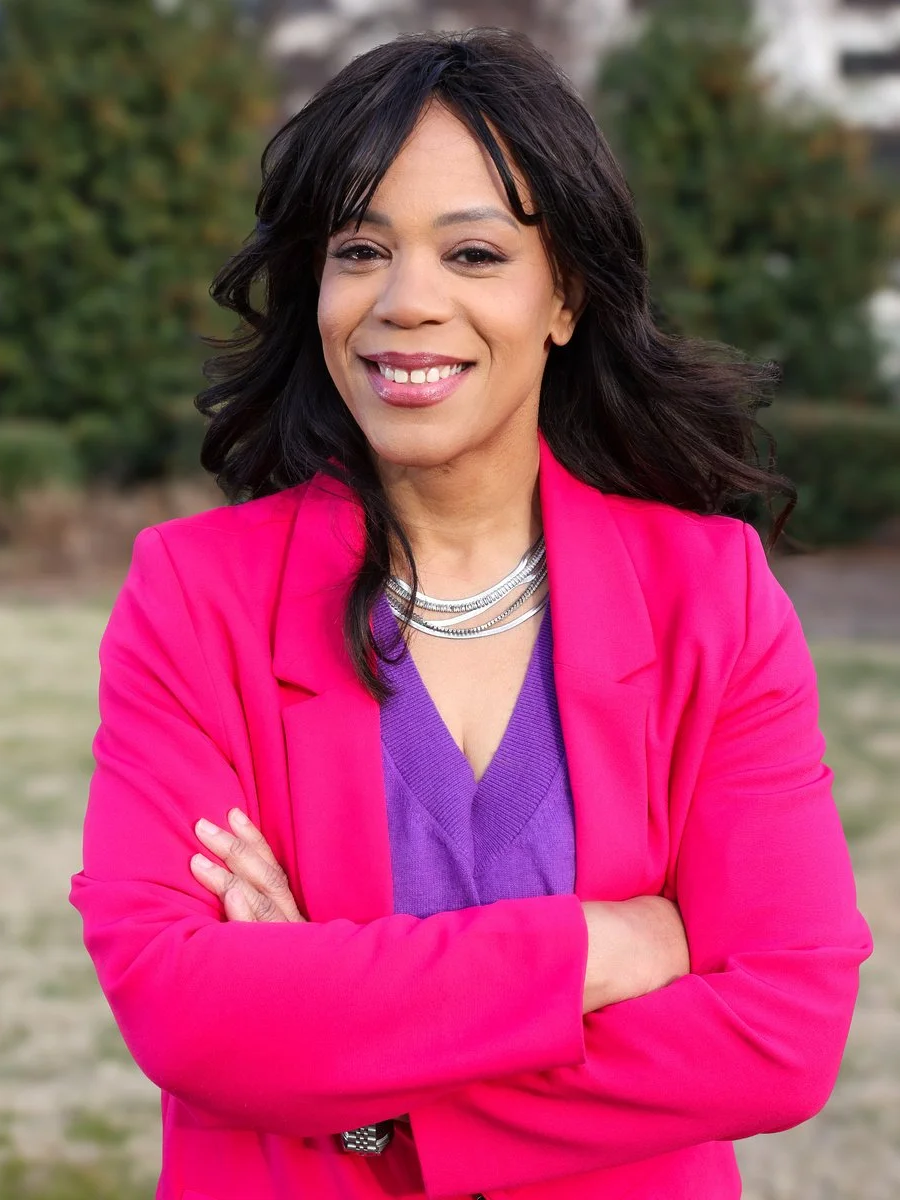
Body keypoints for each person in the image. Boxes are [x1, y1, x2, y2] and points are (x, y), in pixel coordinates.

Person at [69, 28, 872, 1200]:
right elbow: (182, 1008)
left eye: (474, 253)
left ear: (565, 297)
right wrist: (594, 949)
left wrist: (364, 1095)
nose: (407, 303)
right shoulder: (195, 597)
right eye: (359, 250)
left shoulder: (711, 597)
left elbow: (779, 1032)